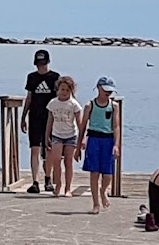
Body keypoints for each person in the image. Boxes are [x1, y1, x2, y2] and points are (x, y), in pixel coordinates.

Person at [75, 76, 121, 214]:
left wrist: (116, 145)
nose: (108, 93)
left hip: (108, 140)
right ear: (99, 88)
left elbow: (116, 126)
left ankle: (103, 190)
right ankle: (95, 203)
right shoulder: (90, 105)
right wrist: (78, 147)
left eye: (110, 91)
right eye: (106, 90)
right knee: (94, 172)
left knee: (108, 173)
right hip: (94, 138)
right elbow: (83, 126)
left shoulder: (114, 106)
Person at [21, 49, 60, 193]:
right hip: (35, 116)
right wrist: (23, 116)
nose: (41, 66)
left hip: (50, 117)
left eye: (43, 63)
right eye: (38, 64)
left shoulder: (55, 77)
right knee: (34, 149)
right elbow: (29, 97)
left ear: (48, 62)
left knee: (49, 148)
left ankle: (48, 179)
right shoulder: (31, 77)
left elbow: (59, 98)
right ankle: (35, 181)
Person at [45, 75, 83, 197]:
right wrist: (47, 136)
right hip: (56, 135)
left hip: (70, 135)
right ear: (57, 89)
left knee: (68, 162)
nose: (64, 92)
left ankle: (68, 188)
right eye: (62, 89)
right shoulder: (53, 103)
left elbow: (79, 122)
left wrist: (82, 139)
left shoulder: (74, 104)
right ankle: (58, 185)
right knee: (56, 161)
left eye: (67, 90)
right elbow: (49, 121)